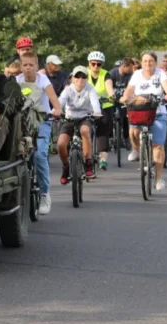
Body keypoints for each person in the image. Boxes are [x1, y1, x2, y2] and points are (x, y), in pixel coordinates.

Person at [16, 50, 62, 216]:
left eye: (31, 65)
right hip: (23, 122)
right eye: (25, 65)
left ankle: (45, 194)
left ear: (37, 66)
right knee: (16, 153)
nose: (28, 68)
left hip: (42, 120)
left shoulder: (43, 80)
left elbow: (54, 101)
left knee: (40, 155)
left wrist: (57, 109)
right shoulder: (17, 81)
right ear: (20, 67)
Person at [121, 51, 167, 191]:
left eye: (150, 61)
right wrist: (125, 97)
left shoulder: (160, 73)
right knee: (133, 131)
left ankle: (159, 178)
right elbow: (129, 90)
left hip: (157, 112)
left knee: (157, 147)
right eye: (145, 61)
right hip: (139, 111)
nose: (147, 64)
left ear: (155, 63)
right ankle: (137, 150)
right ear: (141, 62)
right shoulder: (137, 74)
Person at [57, 66, 102, 183]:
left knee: (85, 131)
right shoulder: (67, 90)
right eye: (77, 76)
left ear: (87, 79)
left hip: (85, 118)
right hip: (69, 119)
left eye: (83, 77)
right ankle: (66, 167)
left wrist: (97, 112)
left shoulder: (90, 89)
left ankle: (88, 163)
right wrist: (56, 111)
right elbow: (61, 101)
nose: (80, 79)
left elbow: (95, 102)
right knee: (61, 144)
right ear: (72, 78)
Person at [86, 51, 115, 171]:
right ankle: (83, 155)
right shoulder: (83, 73)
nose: (96, 66)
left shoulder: (106, 74)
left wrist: (112, 95)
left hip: (104, 105)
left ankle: (103, 159)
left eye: (99, 64)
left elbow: (109, 88)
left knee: (103, 130)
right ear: (89, 63)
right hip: (87, 105)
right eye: (93, 64)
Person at [109, 59, 135, 149]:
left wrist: (127, 98)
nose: (132, 70)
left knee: (125, 118)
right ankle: (110, 138)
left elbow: (130, 88)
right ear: (124, 66)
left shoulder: (130, 75)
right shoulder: (112, 73)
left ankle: (126, 138)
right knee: (109, 118)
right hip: (112, 98)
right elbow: (108, 86)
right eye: (130, 68)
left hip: (124, 99)